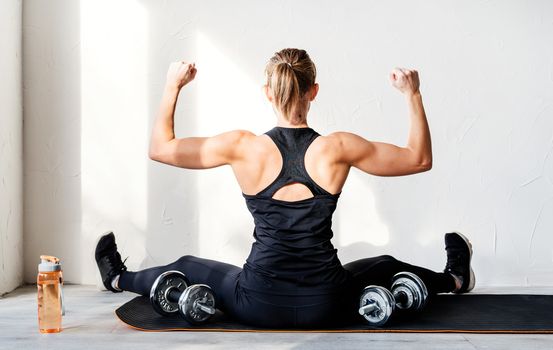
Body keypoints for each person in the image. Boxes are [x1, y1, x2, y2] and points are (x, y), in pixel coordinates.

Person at [95, 48, 474, 328]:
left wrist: (172, 85)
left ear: (268, 92)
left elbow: (160, 149)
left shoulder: (242, 147)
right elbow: (419, 158)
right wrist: (413, 94)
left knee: (187, 266)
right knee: (384, 265)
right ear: (314, 91)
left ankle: (117, 278)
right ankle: (455, 278)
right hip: (328, 304)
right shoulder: (338, 148)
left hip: (256, 302)